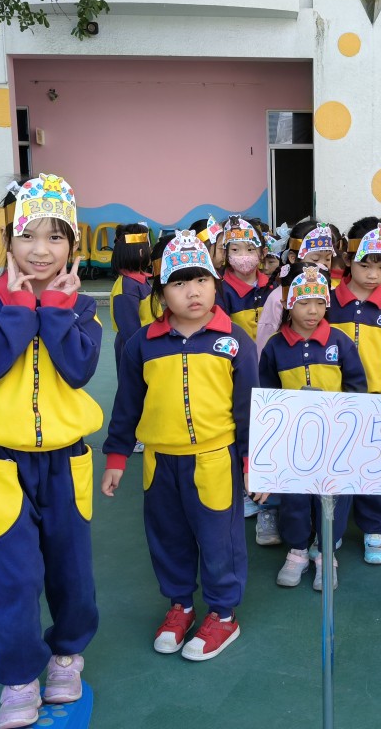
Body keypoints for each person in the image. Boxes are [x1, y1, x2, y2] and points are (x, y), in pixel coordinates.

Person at [0, 175, 102, 729]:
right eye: (28, 235)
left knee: (71, 570)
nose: (41, 250)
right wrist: (19, 308)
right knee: (10, 576)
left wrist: (57, 310)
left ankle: (67, 656)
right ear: (7, 239)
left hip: (66, 461)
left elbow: (79, 368)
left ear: (73, 245)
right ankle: (19, 678)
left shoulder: (81, 307)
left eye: (55, 237)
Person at [101, 229, 258, 663]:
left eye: (202, 279)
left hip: (215, 461)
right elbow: (128, 404)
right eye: (179, 282)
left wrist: (253, 462)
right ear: (159, 291)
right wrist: (117, 456)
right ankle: (181, 606)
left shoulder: (235, 342)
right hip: (160, 463)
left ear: (215, 282)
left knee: (220, 540)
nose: (193, 292)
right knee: (167, 538)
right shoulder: (142, 344)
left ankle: (223, 614)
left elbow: (249, 408)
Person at [259, 263, 367, 590]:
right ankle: (297, 550)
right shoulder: (275, 346)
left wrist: (349, 428)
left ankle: (325, 552)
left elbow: (356, 387)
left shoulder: (341, 342)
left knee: (332, 497)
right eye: (304, 302)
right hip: (292, 440)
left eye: (320, 302)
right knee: (294, 498)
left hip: (334, 440)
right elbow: (267, 393)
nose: (313, 310)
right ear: (289, 303)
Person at [330, 219, 381, 564]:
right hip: (333, 401)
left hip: (377, 402)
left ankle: (376, 528)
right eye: (365, 265)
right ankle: (330, 529)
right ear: (349, 260)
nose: (373, 274)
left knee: (375, 470)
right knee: (334, 468)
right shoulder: (328, 300)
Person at [256, 220, 336, 357]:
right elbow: (264, 346)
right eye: (315, 259)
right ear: (293, 258)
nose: (323, 265)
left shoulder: (333, 291)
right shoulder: (278, 297)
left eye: (328, 259)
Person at [110, 223, 155, 370]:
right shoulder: (127, 288)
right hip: (135, 348)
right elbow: (130, 330)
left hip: (146, 341)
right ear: (141, 252)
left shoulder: (139, 281)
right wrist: (141, 351)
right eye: (148, 247)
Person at [219, 216, 271, 341]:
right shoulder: (221, 290)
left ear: (263, 253)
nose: (243, 256)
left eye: (250, 249)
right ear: (225, 253)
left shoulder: (271, 286)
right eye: (235, 249)